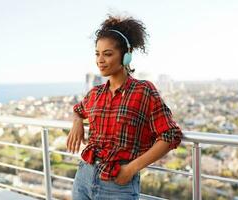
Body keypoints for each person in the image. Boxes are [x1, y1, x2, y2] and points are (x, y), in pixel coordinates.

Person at [67, 14, 183, 200]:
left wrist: (131, 169)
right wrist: (77, 121)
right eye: (97, 54)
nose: (100, 60)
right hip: (83, 178)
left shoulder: (143, 91)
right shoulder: (95, 93)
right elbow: (78, 110)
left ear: (126, 56)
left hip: (118, 185)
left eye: (108, 54)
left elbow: (170, 135)